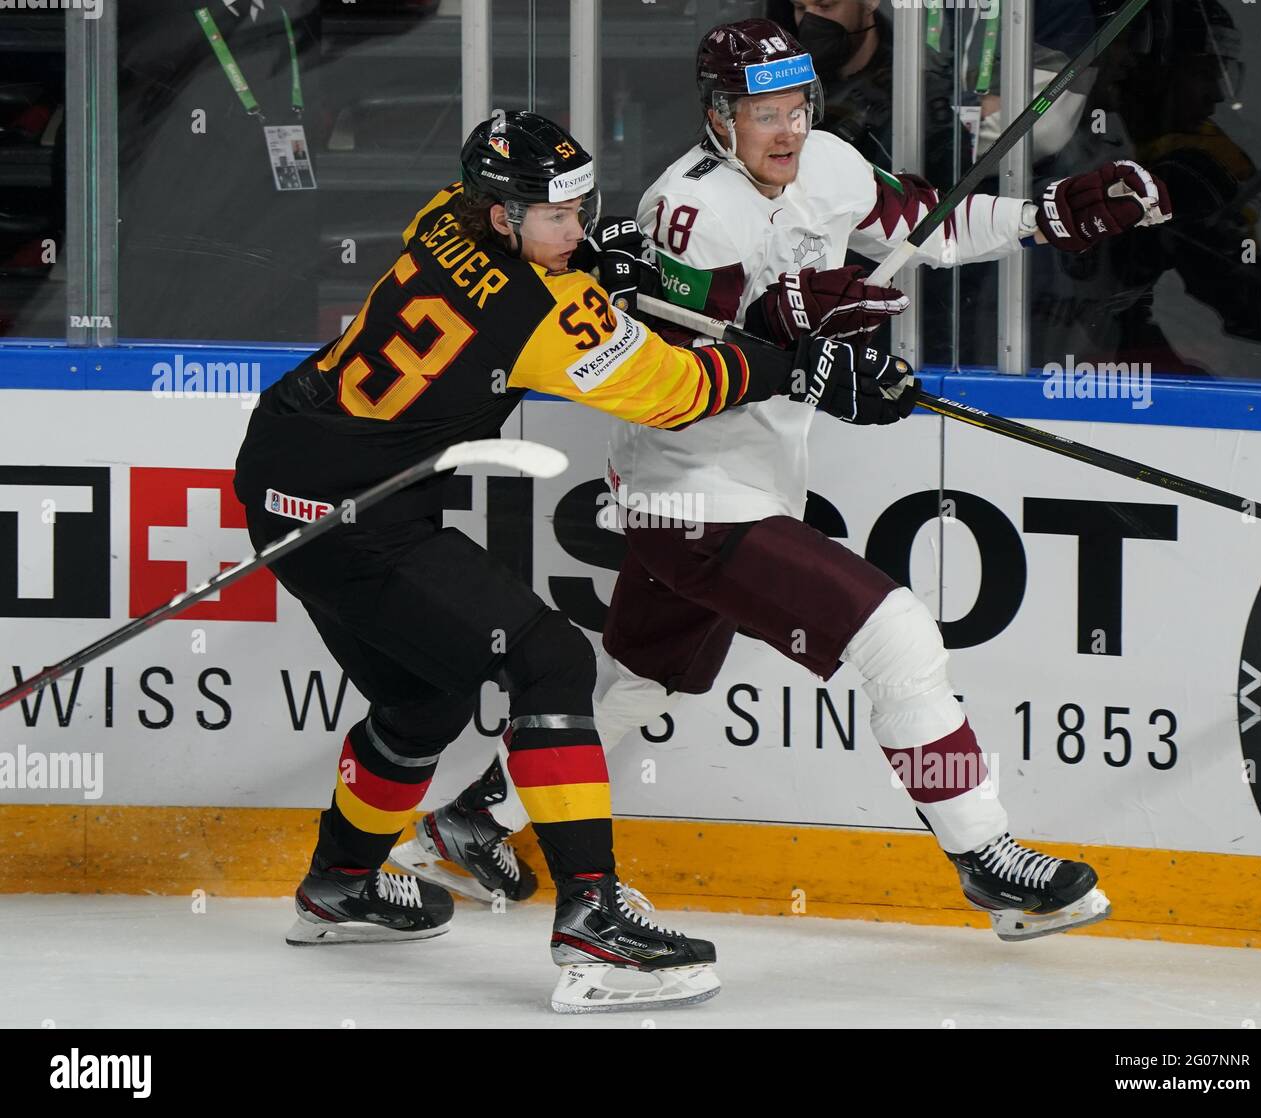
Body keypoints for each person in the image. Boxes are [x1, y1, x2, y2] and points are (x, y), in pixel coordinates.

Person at [432, 20, 1172, 944]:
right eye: (760, 114)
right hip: (690, 492)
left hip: (751, 481)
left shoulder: (826, 163)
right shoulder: (686, 212)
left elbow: (926, 226)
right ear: (716, 118)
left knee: (634, 685)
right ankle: (987, 859)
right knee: (898, 637)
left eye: (796, 108)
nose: (785, 132)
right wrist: (797, 338)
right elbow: (666, 364)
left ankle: (473, 818)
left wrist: (1044, 220)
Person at [233, 109, 905, 1011]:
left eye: (582, 212)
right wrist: (797, 370)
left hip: (283, 474)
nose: (578, 231)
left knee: (421, 697)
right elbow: (682, 392)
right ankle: (594, 920)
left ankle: (339, 885)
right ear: (505, 216)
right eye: (561, 218)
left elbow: (557, 286)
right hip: (360, 516)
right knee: (547, 659)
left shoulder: (443, 215)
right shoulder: (542, 315)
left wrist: (596, 266)